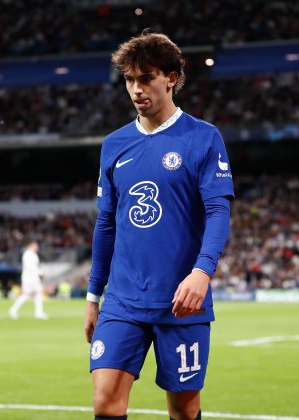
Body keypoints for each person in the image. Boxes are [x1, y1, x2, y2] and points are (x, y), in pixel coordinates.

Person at [84, 31, 233, 420]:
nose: (136, 89)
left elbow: (218, 212)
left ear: (171, 77)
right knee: (105, 400)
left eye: (146, 78)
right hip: (123, 300)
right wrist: (93, 296)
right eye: (130, 80)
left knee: (184, 410)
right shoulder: (114, 145)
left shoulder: (203, 138)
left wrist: (202, 272)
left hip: (182, 302)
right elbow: (105, 224)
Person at [9, 240, 49, 320]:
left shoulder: (32, 254)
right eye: (35, 245)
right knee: (35, 293)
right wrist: (40, 272)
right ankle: (38, 313)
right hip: (30, 278)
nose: (37, 247)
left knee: (33, 294)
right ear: (30, 245)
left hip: (32, 277)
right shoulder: (28, 254)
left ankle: (38, 313)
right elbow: (30, 267)